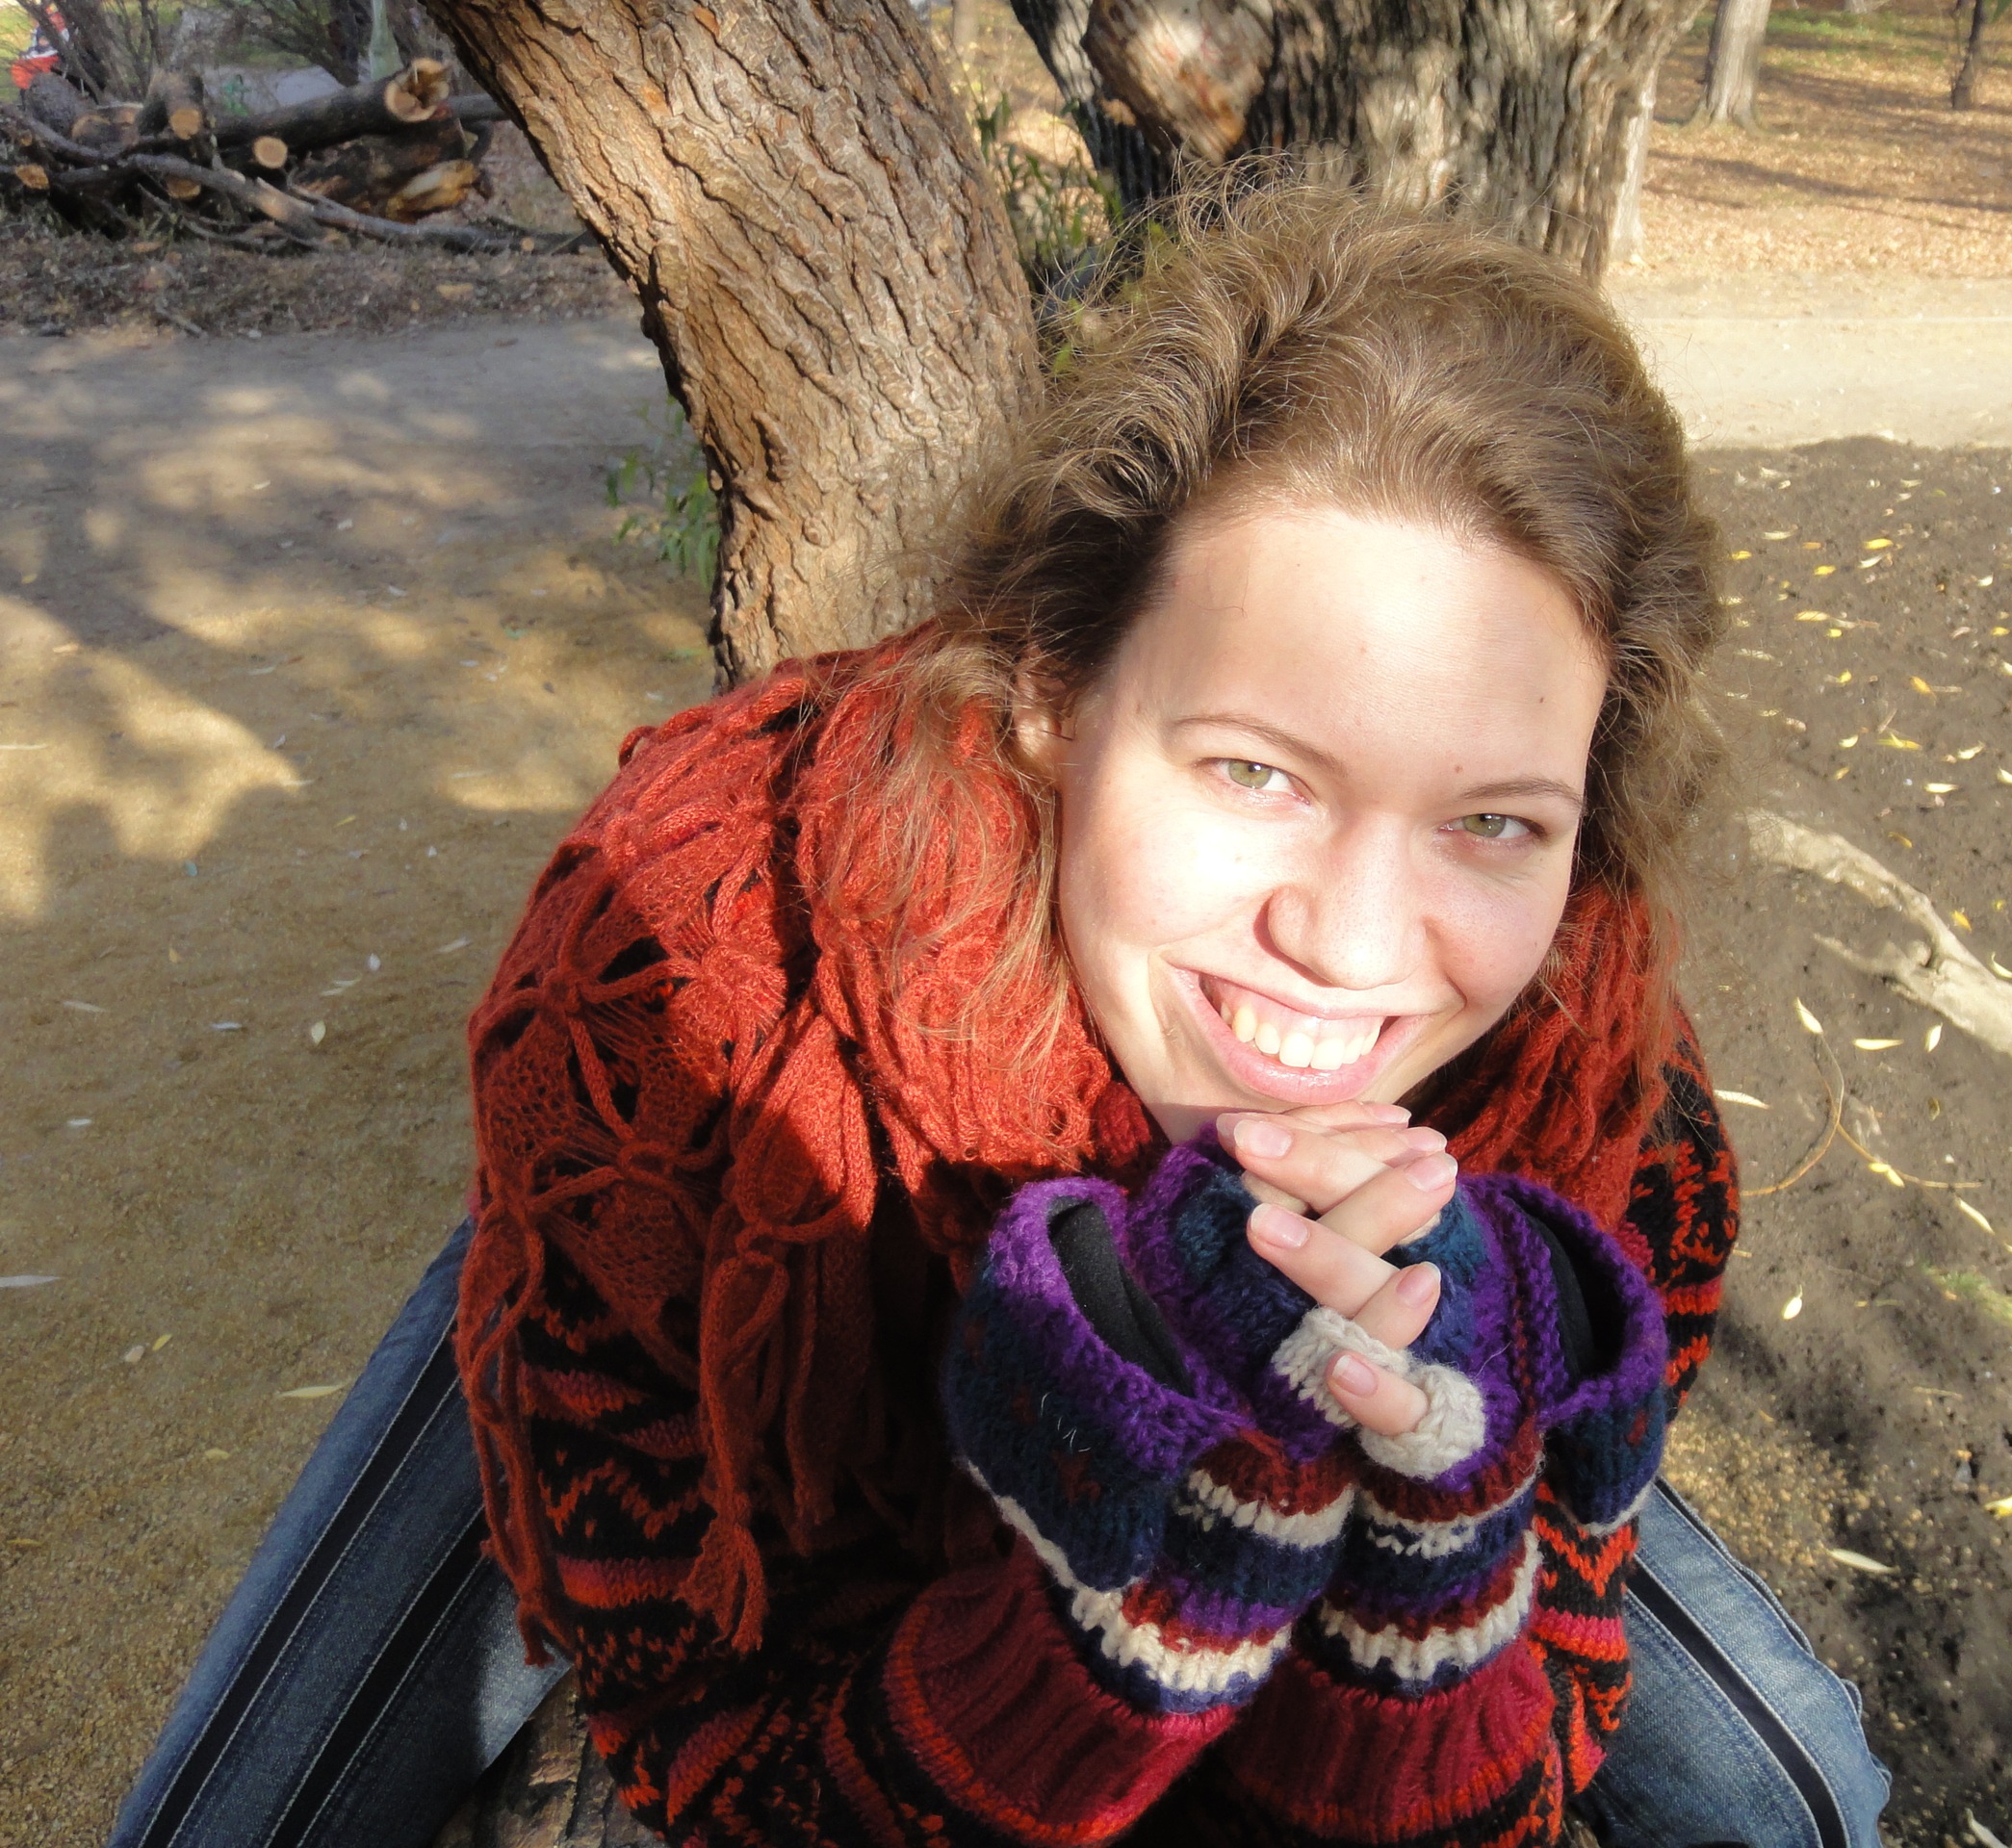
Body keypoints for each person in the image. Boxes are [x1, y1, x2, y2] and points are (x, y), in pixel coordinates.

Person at [109, 180, 1890, 1848]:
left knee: (1791, 1795)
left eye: (1492, 821)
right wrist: (1103, 1643)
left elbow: (1528, 1730)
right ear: (1052, 688)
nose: (1351, 948)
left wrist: (1428, 1581)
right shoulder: (683, 996)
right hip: (724, 1263)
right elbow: (711, 1739)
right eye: (1256, 771)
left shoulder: (1592, 1111)